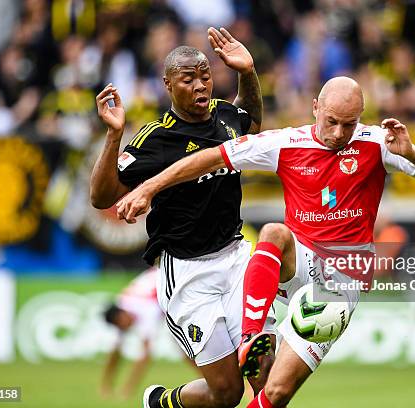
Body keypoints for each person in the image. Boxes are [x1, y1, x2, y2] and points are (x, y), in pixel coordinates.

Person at [115, 76, 415, 408]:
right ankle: (251, 338)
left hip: (338, 285)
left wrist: (412, 153)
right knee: (275, 233)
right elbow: (213, 157)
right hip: (298, 261)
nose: (339, 133)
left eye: (348, 124)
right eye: (332, 121)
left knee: (274, 392)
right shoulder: (287, 143)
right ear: (314, 109)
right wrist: (149, 187)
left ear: (361, 116)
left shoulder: (378, 143)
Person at [90, 27, 276, 408]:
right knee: (226, 392)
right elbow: (101, 196)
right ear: (168, 85)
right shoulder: (155, 140)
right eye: (188, 79)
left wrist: (248, 71)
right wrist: (114, 135)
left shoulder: (225, 116)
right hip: (189, 272)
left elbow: (252, 122)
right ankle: (161, 402)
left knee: (266, 374)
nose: (199, 85)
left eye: (205, 76)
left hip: (237, 258)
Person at [101, 268, 163, 400]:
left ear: (122, 314)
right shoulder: (122, 303)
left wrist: (128, 388)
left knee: (185, 348)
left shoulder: (147, 308)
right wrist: (106, 385)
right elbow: (115, 350)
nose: (123, 327)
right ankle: (106, 385)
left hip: (172, 277)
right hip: (160, 274)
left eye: (121, 322)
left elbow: (146, 354)